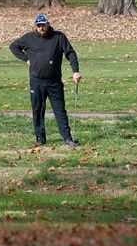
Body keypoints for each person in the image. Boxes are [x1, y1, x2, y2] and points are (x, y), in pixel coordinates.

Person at [9, 14, 82, 148]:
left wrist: (75, 71)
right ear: (35, 26)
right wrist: (26, 59)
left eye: (43, 25)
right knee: (38, 110)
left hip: (54, 82)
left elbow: (70, 53)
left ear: (48, 24)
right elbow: (13, 46)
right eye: (39, 26)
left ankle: (67, 138)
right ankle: (40, 138)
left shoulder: (58, 37)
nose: (41, 28)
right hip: (36, 82)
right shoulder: (28, 38)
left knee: (60, 110)